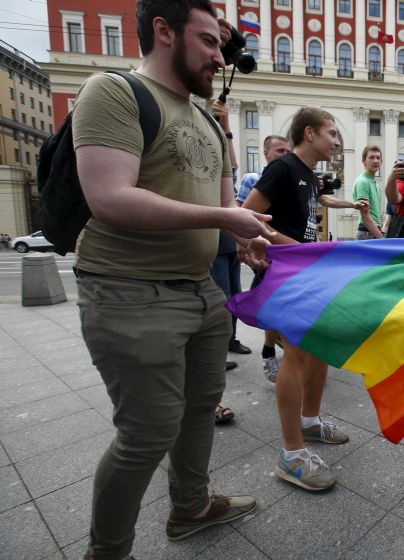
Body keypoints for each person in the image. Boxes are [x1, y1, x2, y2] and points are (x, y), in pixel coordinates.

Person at [72, 2, 272, 557]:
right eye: (208, 41)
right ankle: (107, 551)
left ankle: (190, 508)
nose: (219, 55)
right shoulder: (113, 92)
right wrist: (220, 220)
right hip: (129, 290)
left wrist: (245, 237)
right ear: (163, 31)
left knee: (198, 413)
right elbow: (109, 197)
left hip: (201, 292)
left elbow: (226, 202)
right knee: (146, 436)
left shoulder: (207, 116)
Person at [241, 107, 368, 491]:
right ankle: (291, 453)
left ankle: (310, 423)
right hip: (285, 273)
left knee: (320, 348)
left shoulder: (310, 178)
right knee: (295, 355)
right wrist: (297, 249)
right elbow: (248, 217)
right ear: (309, 133)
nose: (337, 139)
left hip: (306, 272)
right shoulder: (283, 169)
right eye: (332, 132)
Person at [236, 135, 291, 383]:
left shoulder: (291, 179)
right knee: (271, 308)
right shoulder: (252, 180)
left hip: (286, 253)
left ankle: (278, 350)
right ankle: (270, 353)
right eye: (280, 150)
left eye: (287, 151)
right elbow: (239, 211)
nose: (284, 155)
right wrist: (243, 244)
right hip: (266, 253)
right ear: (266, 152)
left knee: (280, 308)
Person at [210, 99, 249, 379]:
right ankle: (217, 352)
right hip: (213, 243)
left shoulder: (225, 176)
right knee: (222, 298)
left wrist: (227, 129)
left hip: (229, 243)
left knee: (234, 295)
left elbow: (232, 167)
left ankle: (231, 340)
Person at [352, 145, 384, 239]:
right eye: (371, 157)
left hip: (373, 231)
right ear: (363, 160)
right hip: (366, 232)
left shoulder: (377, 186)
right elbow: (365, 216)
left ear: (381, 161)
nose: (375, 161)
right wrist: (380, 238)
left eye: (378, 158)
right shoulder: (363, 181)